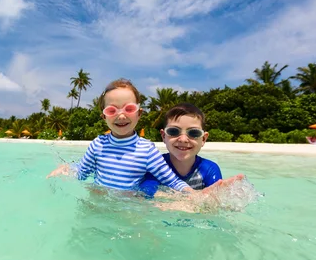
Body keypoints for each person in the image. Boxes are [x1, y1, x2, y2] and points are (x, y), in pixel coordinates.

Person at [47, 78, 196, 193]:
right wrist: (65, 171)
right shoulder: (98, 145)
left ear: (139, 114)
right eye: (112, 111)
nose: (121, 116)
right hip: (96, 207)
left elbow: (172, 181)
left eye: (129, 109)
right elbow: (81, 173)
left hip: (127, 211)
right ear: (104, 117)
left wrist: (192, 194)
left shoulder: (147, 150)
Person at [139, 103, 222, 198]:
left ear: (203, 139)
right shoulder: (155, 165)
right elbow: (145, 194)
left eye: (193, 132)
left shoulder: (209, 170)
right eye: (173, 131)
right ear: (163, 136)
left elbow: (215, 204)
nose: (183, 139)